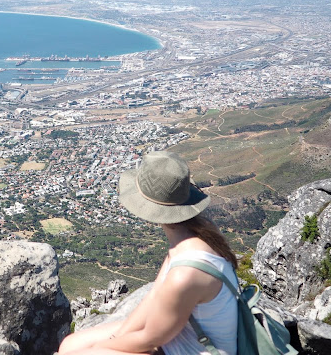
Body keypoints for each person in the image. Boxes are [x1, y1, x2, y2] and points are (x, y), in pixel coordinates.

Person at [58, 151, 238, 355]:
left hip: (187, 349)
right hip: (177, 340)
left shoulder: (185, 273)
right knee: (69, 345)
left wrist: (100, 348)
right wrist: (116, 338)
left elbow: (150, 341)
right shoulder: (193, 237)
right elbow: (154, 297)